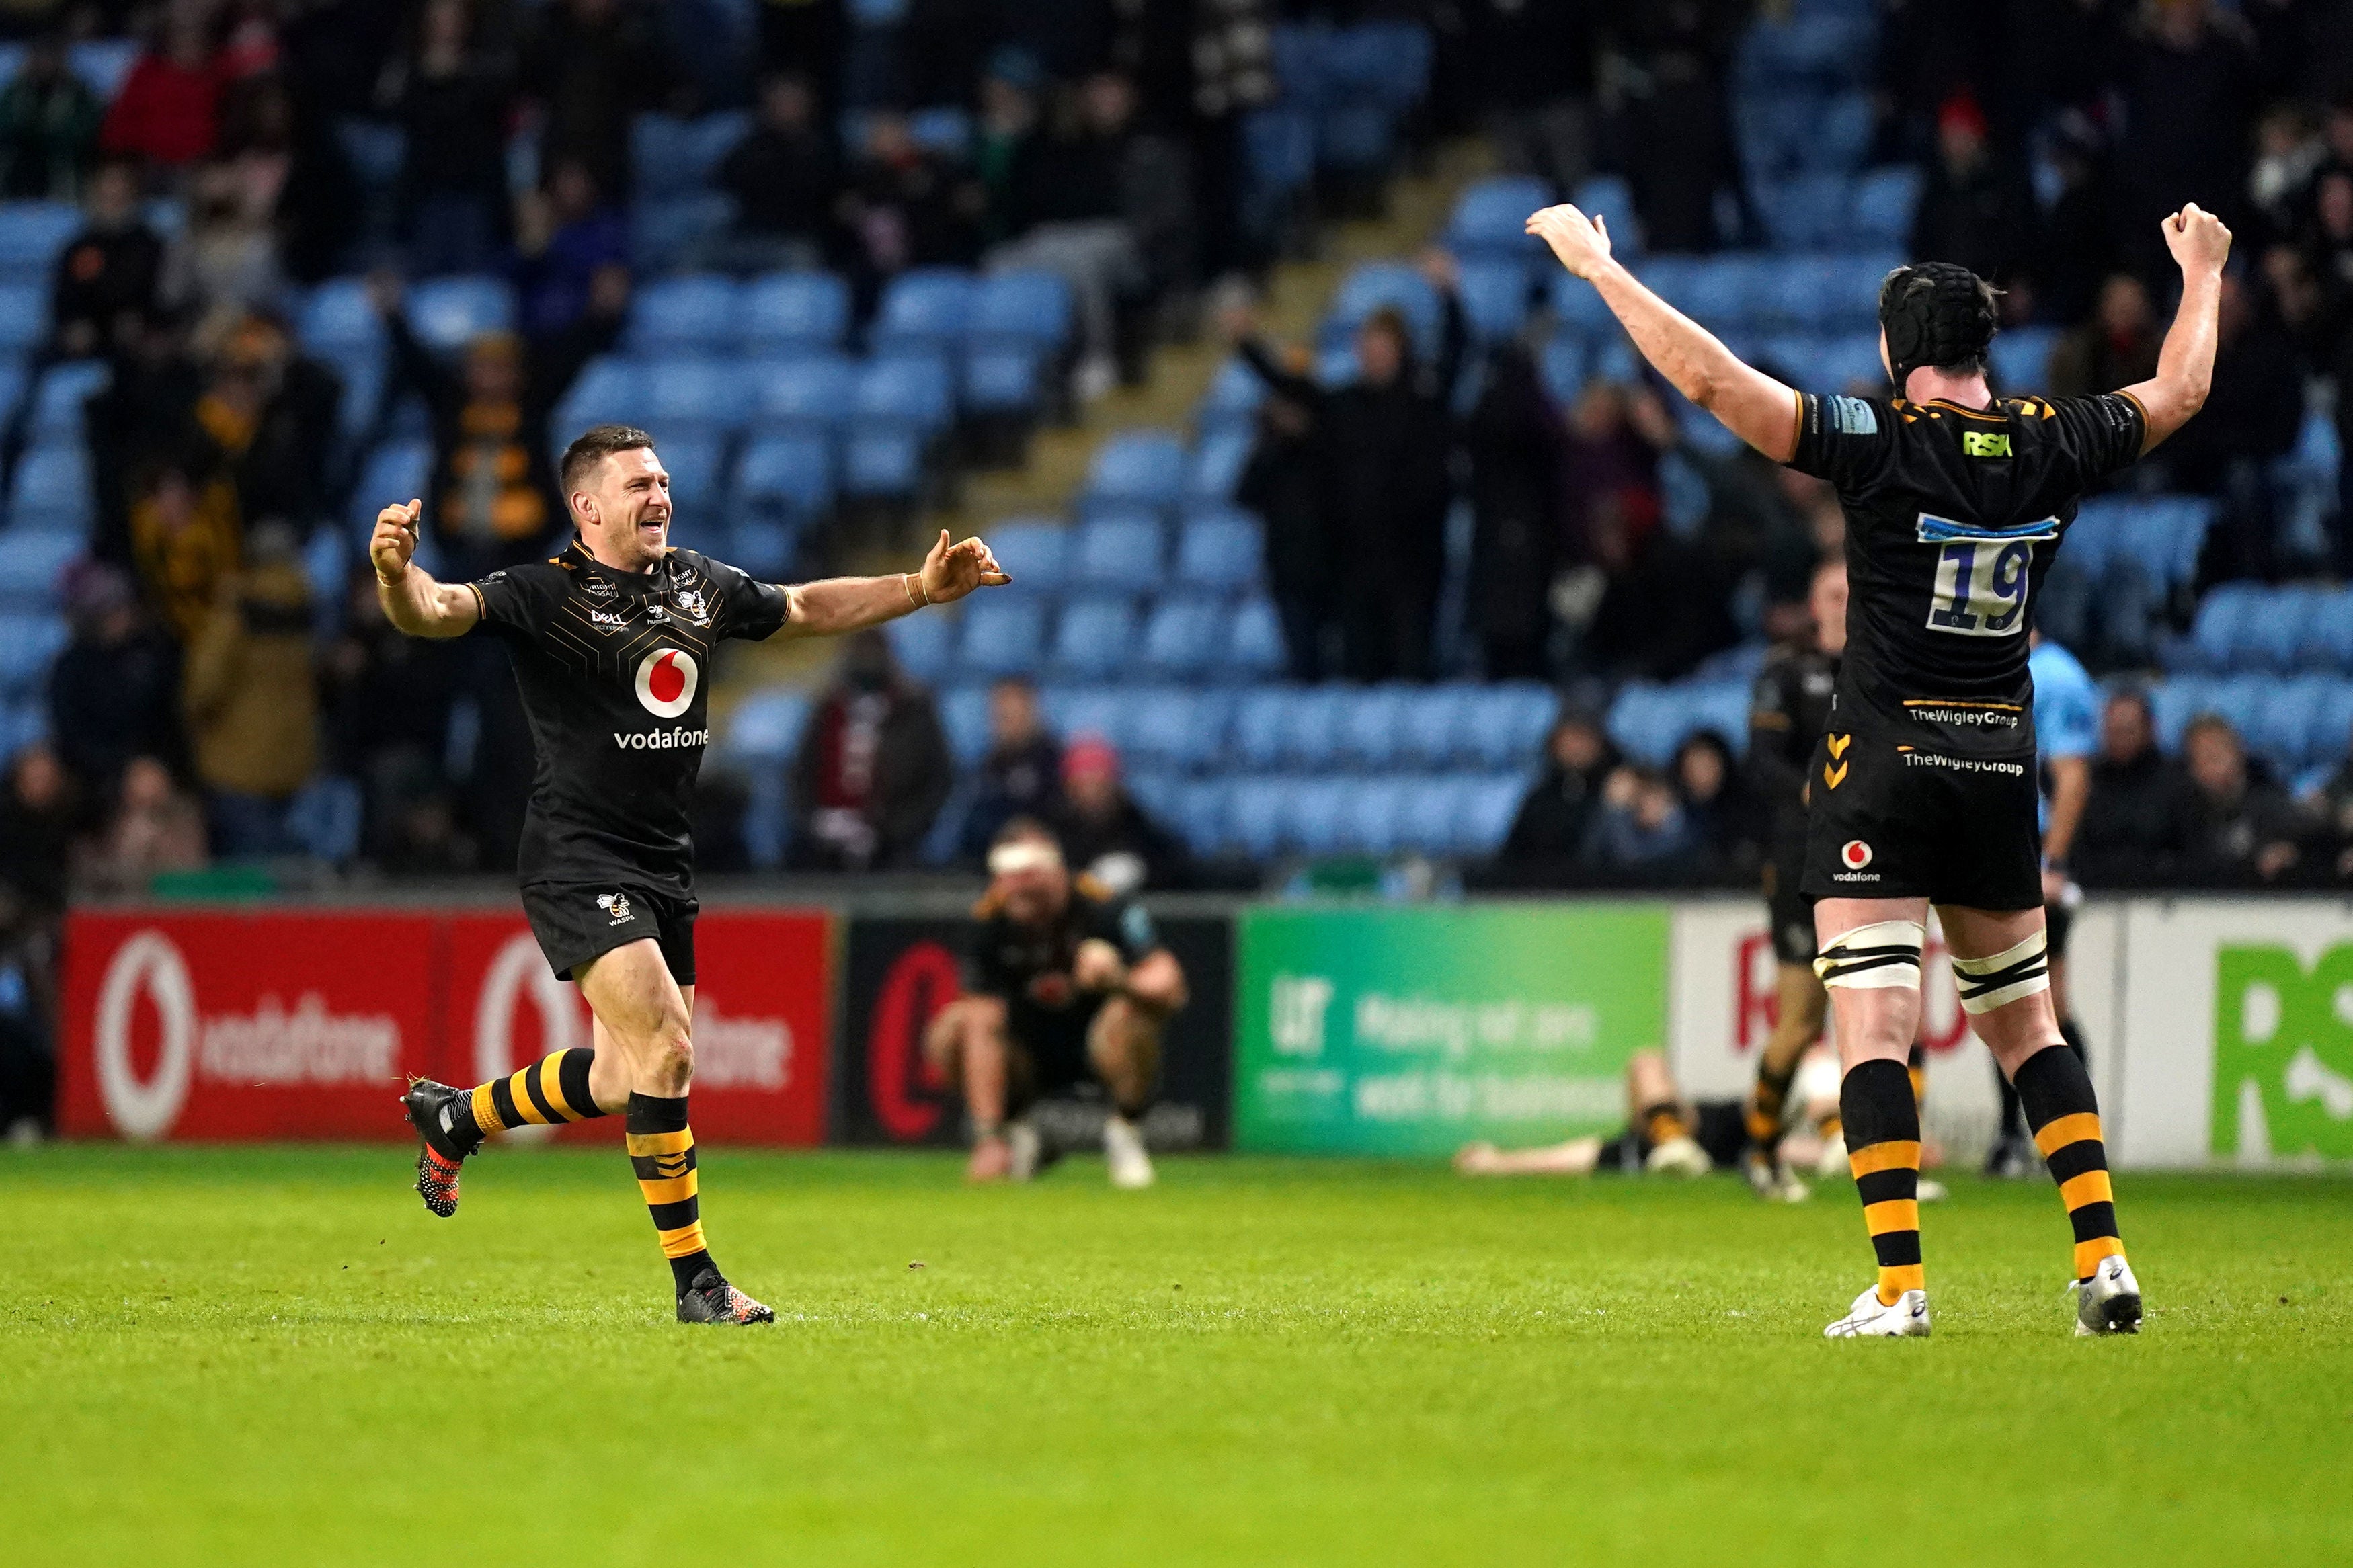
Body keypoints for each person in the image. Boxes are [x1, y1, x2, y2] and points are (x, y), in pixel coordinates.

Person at [1528, 190, 2231, 1337]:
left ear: (1897, 352)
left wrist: (1602, 272)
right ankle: (2103, 1257)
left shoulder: (1877, 440)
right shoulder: (2051, 437)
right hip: (2001, 764)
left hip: (1887, 764)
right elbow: (2182, 389)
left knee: (1875, 1025)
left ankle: (1901, 1286)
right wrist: (2201, 272)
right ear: (1984, 351)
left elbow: (1711, 385)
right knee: (2029, 1025)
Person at [372, 422, 1008, 1326]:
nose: (660, 495)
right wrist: (398, 574)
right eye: (638, 485)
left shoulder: (698, 585)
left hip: (664, 859)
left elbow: (803, 608)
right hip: (576, 854)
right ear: (587, 508)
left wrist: (917, 587)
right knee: (670, 1047)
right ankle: (697, 1282)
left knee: (631, 1078)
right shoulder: (540, 594)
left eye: (663, 480)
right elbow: (435, 612)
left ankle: (461, 1118)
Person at [923, 819, 1187, 1190]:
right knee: (954, 1028)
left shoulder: (1102, 905)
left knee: (1132, 1014)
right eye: (1007, 877)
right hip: (1028, 1052)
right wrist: (987, 1138)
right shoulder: (988, 919)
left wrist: (1118, 980)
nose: (1016, 890)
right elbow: (980, 1016)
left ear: (1055, 871)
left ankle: (1125, 1132)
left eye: (1027, 877)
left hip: (1100, 1045)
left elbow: (1171, 985)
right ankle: (1011, 1136)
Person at [1740, 556, 1845, 1203]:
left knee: (1893, 1010)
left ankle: (1895, 1164)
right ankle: (1760, 1151)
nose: (1843, 600)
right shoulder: (1785, 672)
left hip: (1869, 860)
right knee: (1802, 1015)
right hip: (1802, 860)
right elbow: (1759, 761)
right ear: (1814, 600)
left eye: (1852, 589)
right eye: (1833, 590)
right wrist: (1816, 792)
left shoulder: (1880, 669)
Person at [1986, 630, 2099, 1178]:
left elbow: (2072, 776)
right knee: (2006, 1003)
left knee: (2041, 1007)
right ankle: (2018, 1139)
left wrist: (2050, 865)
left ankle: (2060, 1143)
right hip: (1993, 852)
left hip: (2031, 857)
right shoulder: (1988, 665)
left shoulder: (2055, 676)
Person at [1457, 1047, 1845, 1182]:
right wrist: (1497, 1162)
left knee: (1815, 1060)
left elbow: (1795, 1151)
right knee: (1644, 1061)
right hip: (1694, 1152)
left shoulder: (1722, 1121)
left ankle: (1841, 1135)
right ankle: (1672, 1145)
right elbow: (1560, 1159)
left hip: (1731, 1129)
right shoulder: (1631, 1151)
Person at [786, 628, 951, 872]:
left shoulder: (913, 711)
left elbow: (936, 781)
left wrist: (888, 830)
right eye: (860, 652)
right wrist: (816, 822)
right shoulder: (828, 711)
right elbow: (801, 774)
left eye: (873, 652)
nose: (867, 659)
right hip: (823, 846)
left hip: (895, 847)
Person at [2073, 689, 2198, 888]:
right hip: (2096, 897)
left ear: (2149, 729)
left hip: (2165, 900)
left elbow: (2192, 853)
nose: (2120, 740)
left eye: (2128, 731)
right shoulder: (2088, 781)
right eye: (2114, 731)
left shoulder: (2178, 783)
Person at [1048, 733, 1189, 895]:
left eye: (1099, 784)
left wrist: (1140, 872)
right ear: (1070, 788)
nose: (1091, 793)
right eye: (1083, 785)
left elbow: (1171, 868)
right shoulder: (1056, 828)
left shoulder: (1136, 823)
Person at [958, 675, 1060, 864]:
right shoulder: (987, 768)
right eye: (1002, 717)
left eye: (1016, 715)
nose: (1009, 725)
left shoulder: (1056, 764)